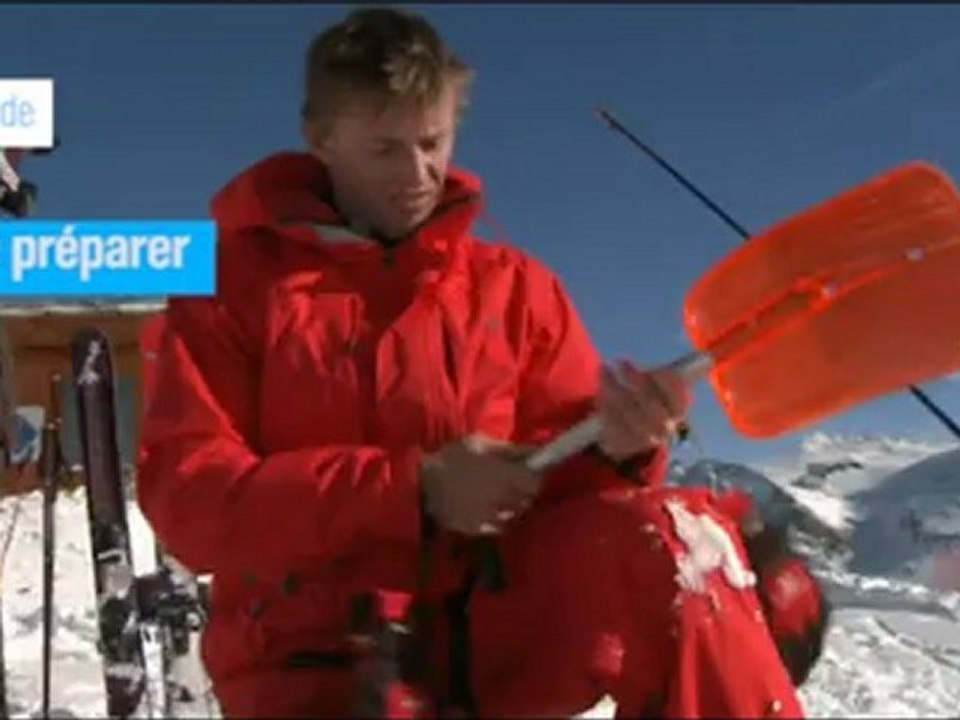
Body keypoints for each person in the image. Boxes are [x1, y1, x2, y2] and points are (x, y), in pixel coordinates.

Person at [136, 6, 825, 718]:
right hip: (312, 653)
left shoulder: (516, 291)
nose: (417, 173)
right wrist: (414, 490)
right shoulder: (229, 288)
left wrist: (620, 448)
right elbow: (190, 500)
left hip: (488, 630)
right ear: (321, 139)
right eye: (384, 149)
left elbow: (569, 497)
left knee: (675, 540)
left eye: (433, 142)